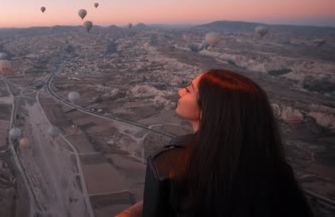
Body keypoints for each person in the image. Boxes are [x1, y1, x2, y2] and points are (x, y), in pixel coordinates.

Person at [117, 69, 313, 217]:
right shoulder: (276, 170)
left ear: (208, 109)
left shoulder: (167, 165)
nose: (180, 91)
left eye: (189, 90)